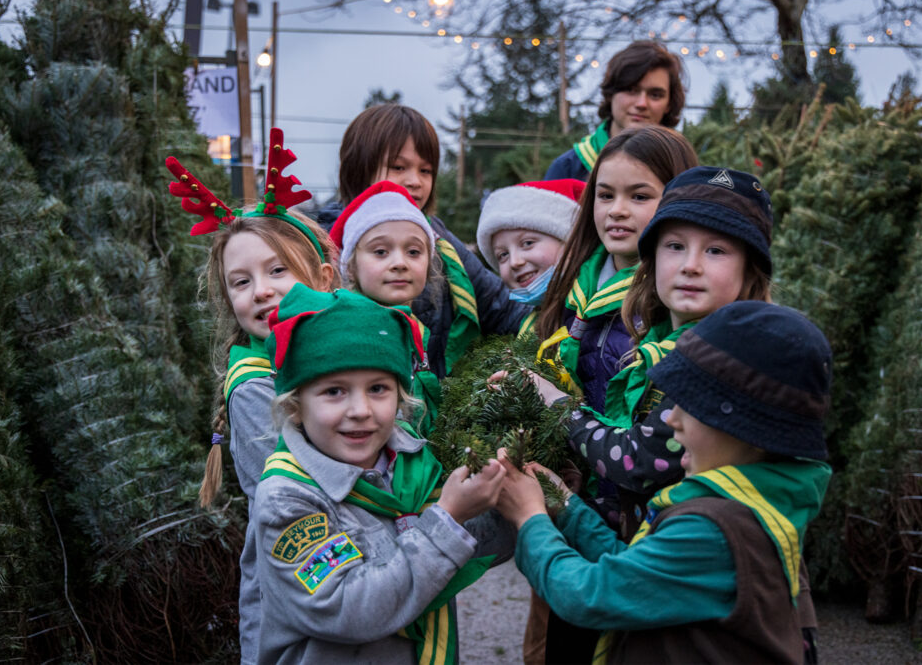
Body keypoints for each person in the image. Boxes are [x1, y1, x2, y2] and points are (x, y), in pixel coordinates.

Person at [496, 300, 834, 664]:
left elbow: (590, 595)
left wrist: (530, 519)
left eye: (689, 405)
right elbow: (635, 569)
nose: (671, 421)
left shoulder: (716, 530)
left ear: (747, 430)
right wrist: (565, 505)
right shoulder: (750, 506)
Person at [253, 285, 510, 664]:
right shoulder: (287, 499)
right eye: (334, 391)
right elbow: (347, 609)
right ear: (294, 406)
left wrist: (523, 505)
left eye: (378, 389)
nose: (360, 410)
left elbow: (471, 551)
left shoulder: (414, 461)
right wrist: (449, 518)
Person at [165, 129, 338, 665]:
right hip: (308, 596)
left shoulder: (339, 362)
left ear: (324, 278)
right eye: (240, 282)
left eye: (277, 270)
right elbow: (295, 509)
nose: (260, 290)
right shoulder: (255, 386)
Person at [529, 167, 775, 537]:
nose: (691, 266)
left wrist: (558, 406)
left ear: (750, 270)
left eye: (716, 250)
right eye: (675, 246)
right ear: (652, 258)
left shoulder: (725, 357)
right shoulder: (654, 342)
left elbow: (637, 460)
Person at [530, 124, 697, 663]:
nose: (616, 210)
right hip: (579, 509)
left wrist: (558, 409)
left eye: (639, 195)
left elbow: (647, 454)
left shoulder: (675, 302)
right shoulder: (575, 285)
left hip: (643, 522)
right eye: (605, 195)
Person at [315, 103, 529, 376]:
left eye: (426, 170)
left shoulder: (438, 238)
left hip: (435, 403)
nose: (415, 181)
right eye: (398, 167)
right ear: (359, 168)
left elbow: (500, 306)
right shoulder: (323, 245)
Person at [329, 180, 444, 435]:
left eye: (413, 252)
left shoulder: (414, 326)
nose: (399, 263)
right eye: (381, 251)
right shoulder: (347, 332)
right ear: (350, 266)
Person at [544, 41, 687, 182]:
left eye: (655, 95)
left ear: (669, 103)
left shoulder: (681, 170)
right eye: (631, 90)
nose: (642, 104)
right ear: (611, 94)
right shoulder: (567, 169)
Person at [475, 178, 586, 335]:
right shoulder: (531, 326)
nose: (515, 262)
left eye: (527, 243)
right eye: (503, 255)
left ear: (571, 241)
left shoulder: (601, 313)